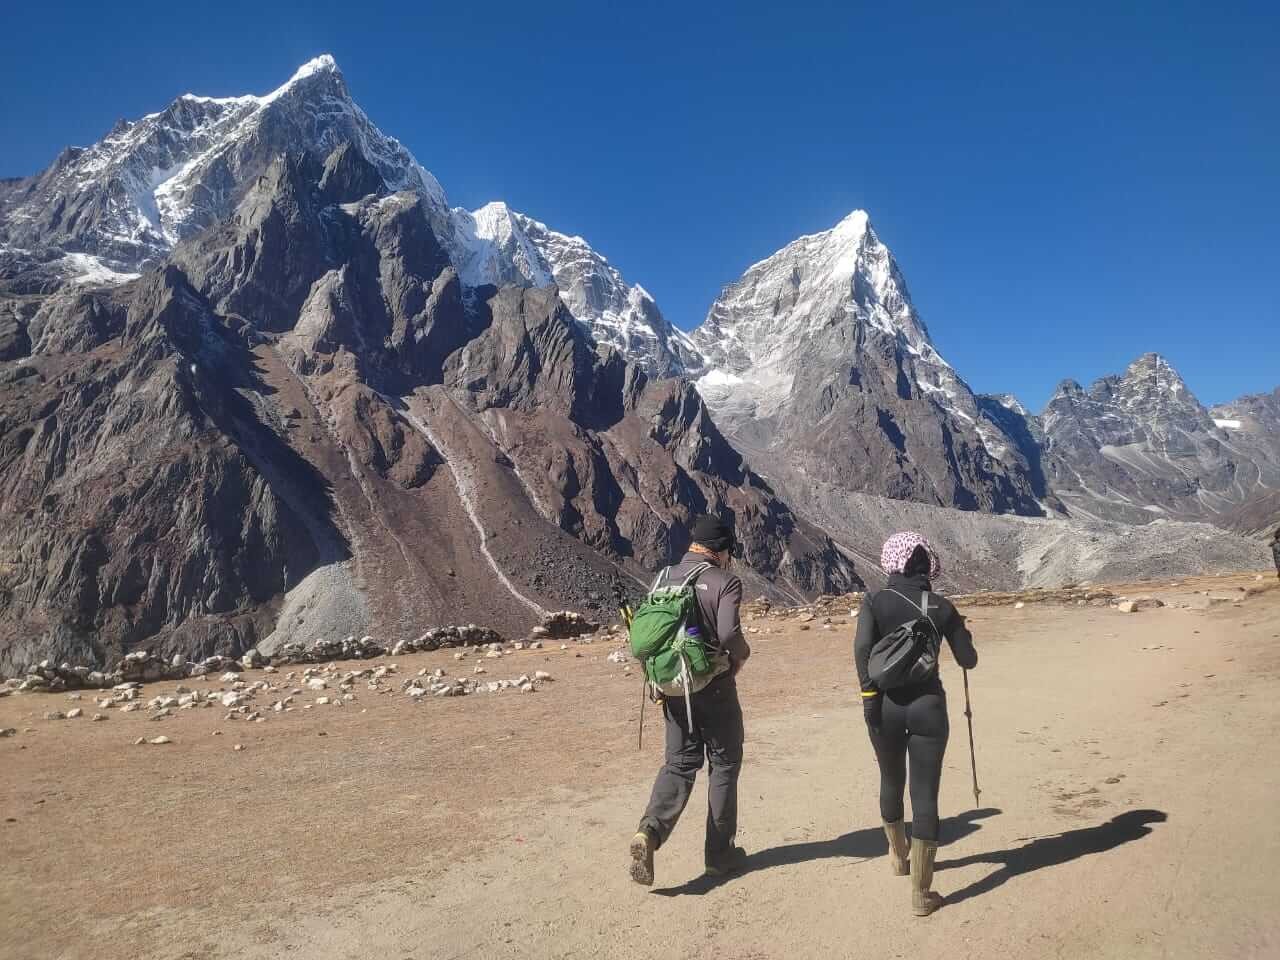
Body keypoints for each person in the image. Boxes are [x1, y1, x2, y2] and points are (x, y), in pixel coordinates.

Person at [854, 531, 978, 916]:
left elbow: (861, 651)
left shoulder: (874, 601)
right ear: (927, 565)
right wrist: (961, 632)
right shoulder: (941, 607)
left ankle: (897, 856)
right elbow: (968, 660)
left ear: (893, 562)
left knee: (891, 781)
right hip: (928, 706)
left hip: (885, 707)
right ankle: (921, 895)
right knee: (925, 795)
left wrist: (869, 699)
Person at [629, 515, 751, 886]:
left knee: (680, 763)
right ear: (721, 549)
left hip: (671, 686)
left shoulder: (664, 577)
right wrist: (741, 656)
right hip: (712, 684)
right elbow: (729, 633)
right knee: (725, 763)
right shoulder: (725, 581)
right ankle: (719, 855)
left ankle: (648, 832)